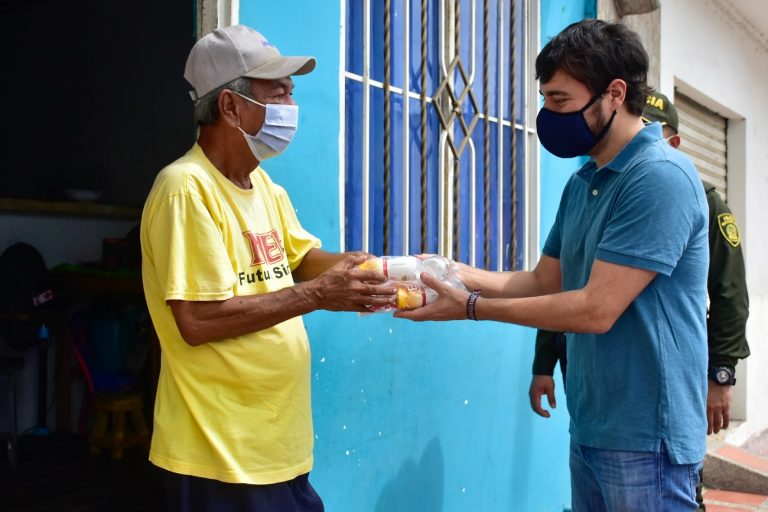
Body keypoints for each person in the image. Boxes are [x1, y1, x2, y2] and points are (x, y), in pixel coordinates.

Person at [397, 20, 709, 511]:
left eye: (560, 101)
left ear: (614, 94)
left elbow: (595, 309)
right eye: (545, 100)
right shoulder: (585, 180)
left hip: (648, 437)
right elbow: (545, 280)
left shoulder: (659, 178)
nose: (548, 114)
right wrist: (451, 272)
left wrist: (472, 307)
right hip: (592, 423)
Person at [140, 25, 396, 512]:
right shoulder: (185, 189)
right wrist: (321, 295)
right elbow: (197, 321)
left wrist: (381, 268)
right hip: (220, 456)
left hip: (277, 448)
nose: (290, 103)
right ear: (230, 107)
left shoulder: (265, 189)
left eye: (290, 91)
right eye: (276, 91)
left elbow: (301, 261)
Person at [528, 91, 751, 511]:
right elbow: (563, 285)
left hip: (653, 410)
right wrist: (544, 361)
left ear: (674, 143)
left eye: (652, 133)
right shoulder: (592, 190)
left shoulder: (696, 196)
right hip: (596, 405)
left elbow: (729, 293)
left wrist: (721, 372)